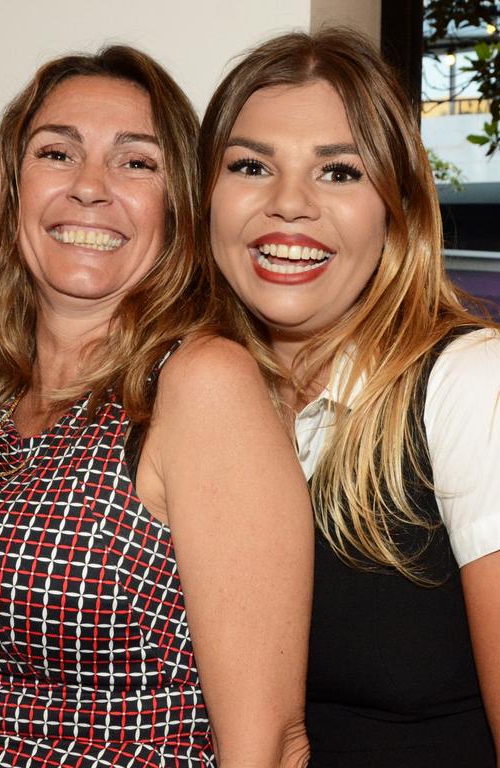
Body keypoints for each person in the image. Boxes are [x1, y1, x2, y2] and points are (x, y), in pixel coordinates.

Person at [0, 46, 314, 768]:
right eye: (56, 153)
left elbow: (270, 744)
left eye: (136, 162)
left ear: (178, 207)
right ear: (10, 186)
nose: (89, 188)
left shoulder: (200, 383)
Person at [199, 27, 500, 768]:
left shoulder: (468, 385)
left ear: (394, 207)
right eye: (250, 166)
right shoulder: (196, 401)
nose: (289, 205)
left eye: (339, 173)